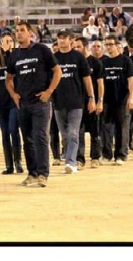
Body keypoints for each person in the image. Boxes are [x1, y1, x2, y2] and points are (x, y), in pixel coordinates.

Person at [6, 22, 62, 187]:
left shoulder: (42, 50)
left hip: (41, 102)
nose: (19, 33)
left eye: (22, 30)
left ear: (30, 33)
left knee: (40, 137)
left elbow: (57, 71)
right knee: (27, 139)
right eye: (17, 31)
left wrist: (49, 91)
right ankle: (32, 173)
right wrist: (14, 95)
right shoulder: (14, 55)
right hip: (23, 103)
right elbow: (8, 79)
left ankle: (43, 173)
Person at [53, 30, 95, 174]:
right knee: (64, 136)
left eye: (64, 38)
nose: (62, 41)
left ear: (70, 40)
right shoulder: (53, 58)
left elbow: (87, 79)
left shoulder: (78, 57)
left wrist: (92, 98)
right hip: (58, 103)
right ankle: (69, 158)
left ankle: (71, 163)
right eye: (59, 38)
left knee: (73, 133)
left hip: (76, 103)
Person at [0, 32, 24, 174]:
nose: (8, 43)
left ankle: (18, 162)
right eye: (5, 41)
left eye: (11, 41)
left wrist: (9, 53)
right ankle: (9, 165)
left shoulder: (17, 58)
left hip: (13, 101)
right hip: (1, 102)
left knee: (13, 130)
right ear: (0, 43)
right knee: (4, 133)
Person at [101, 35, 133, 164]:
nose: (108, 47)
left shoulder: (125, 61)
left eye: (111, 44)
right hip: (107, 99)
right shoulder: (103, 62)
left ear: (116, 45)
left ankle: (121, 155)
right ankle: (107, 154)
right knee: (106, 127)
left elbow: (131, 81)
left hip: (122, 99)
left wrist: (131, 97)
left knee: (121, 128)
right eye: (107, 44)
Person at [73, 37, 105, 168]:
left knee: (95, 131)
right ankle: (80, 159)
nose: (75, 49)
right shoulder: (75, 62)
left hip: (92, 102)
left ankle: (95, 157)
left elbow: (100, 84)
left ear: (85, 47)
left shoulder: (96, 63)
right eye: (74, 47)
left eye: (78, 47)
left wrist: (99, 101)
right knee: (78, 132)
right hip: (78, 102)